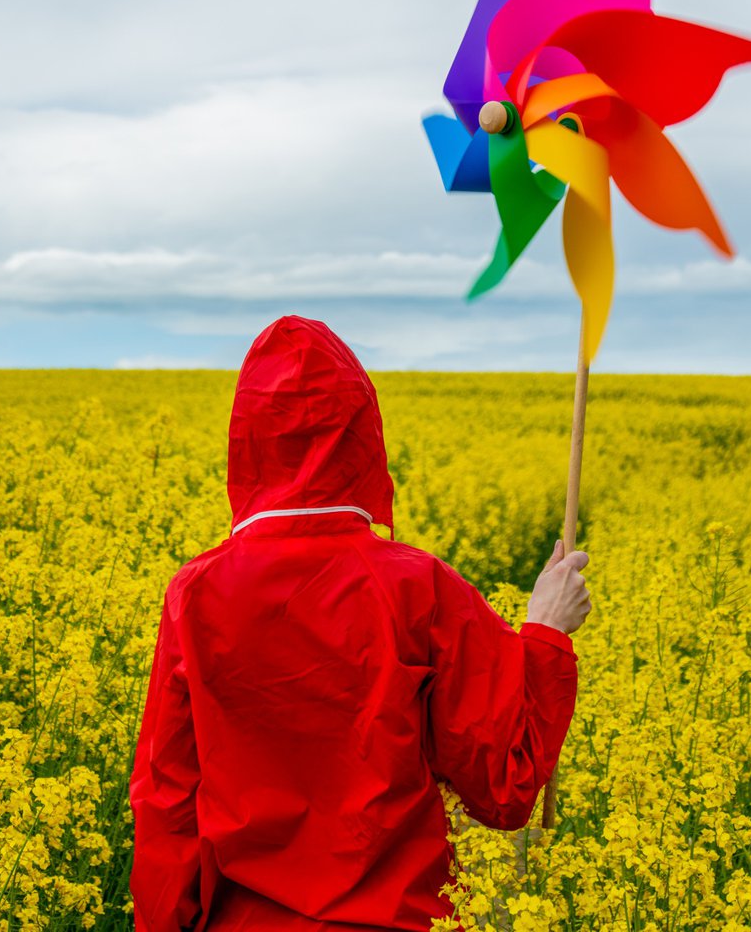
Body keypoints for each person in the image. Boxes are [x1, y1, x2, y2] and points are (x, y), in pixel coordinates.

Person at [129, 314, 591, 930]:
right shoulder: (417, 585)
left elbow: (167, 804)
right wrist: (546, 633)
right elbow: (503, 786)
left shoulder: (195, 592)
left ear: (248, 441)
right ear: (362, 434)